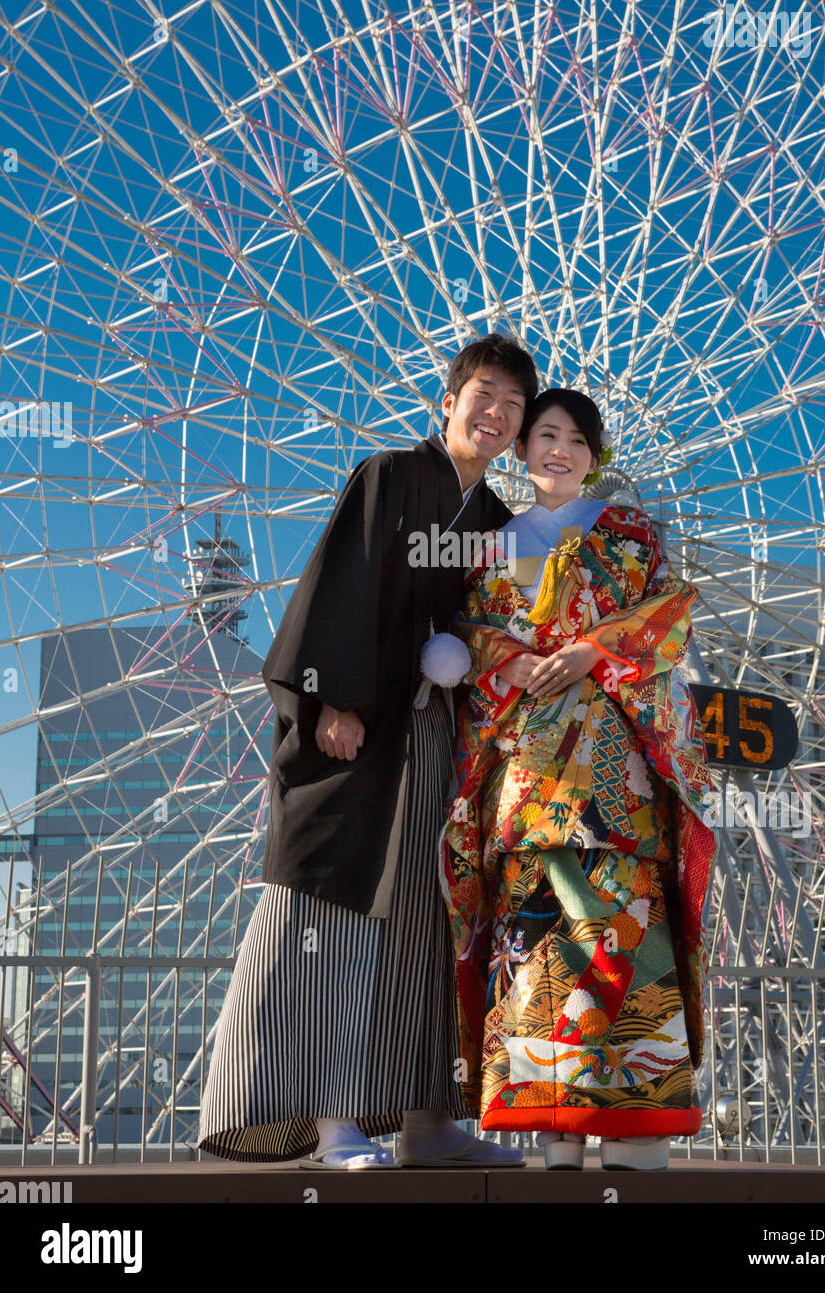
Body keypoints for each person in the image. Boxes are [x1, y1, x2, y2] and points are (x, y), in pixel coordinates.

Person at [197, 333, 539, 1169]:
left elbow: (499, 625)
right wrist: (333, 699)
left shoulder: (497, 523)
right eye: (483, 395)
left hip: (444, 740)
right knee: (332, 913)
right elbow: (340, 583)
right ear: (448, 402)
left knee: (434, 919)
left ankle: (429, 1115)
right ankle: (333, 1116)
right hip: (364, 733)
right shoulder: (389, 477)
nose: (495, 414)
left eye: (514, 407)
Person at [439, 388, 716, 1171]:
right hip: (528, 766)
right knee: (535, 937)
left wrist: (594, 650)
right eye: (544, 435)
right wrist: (514, 659)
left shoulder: (629, 536)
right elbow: (470, 632)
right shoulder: (493, 544)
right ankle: (553, 1120)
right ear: (523, 450)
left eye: (575, 440)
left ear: (596, 459)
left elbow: (667, 618)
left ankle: (637, 1121)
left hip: (610, 765)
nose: (557, 450)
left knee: (621, 916)